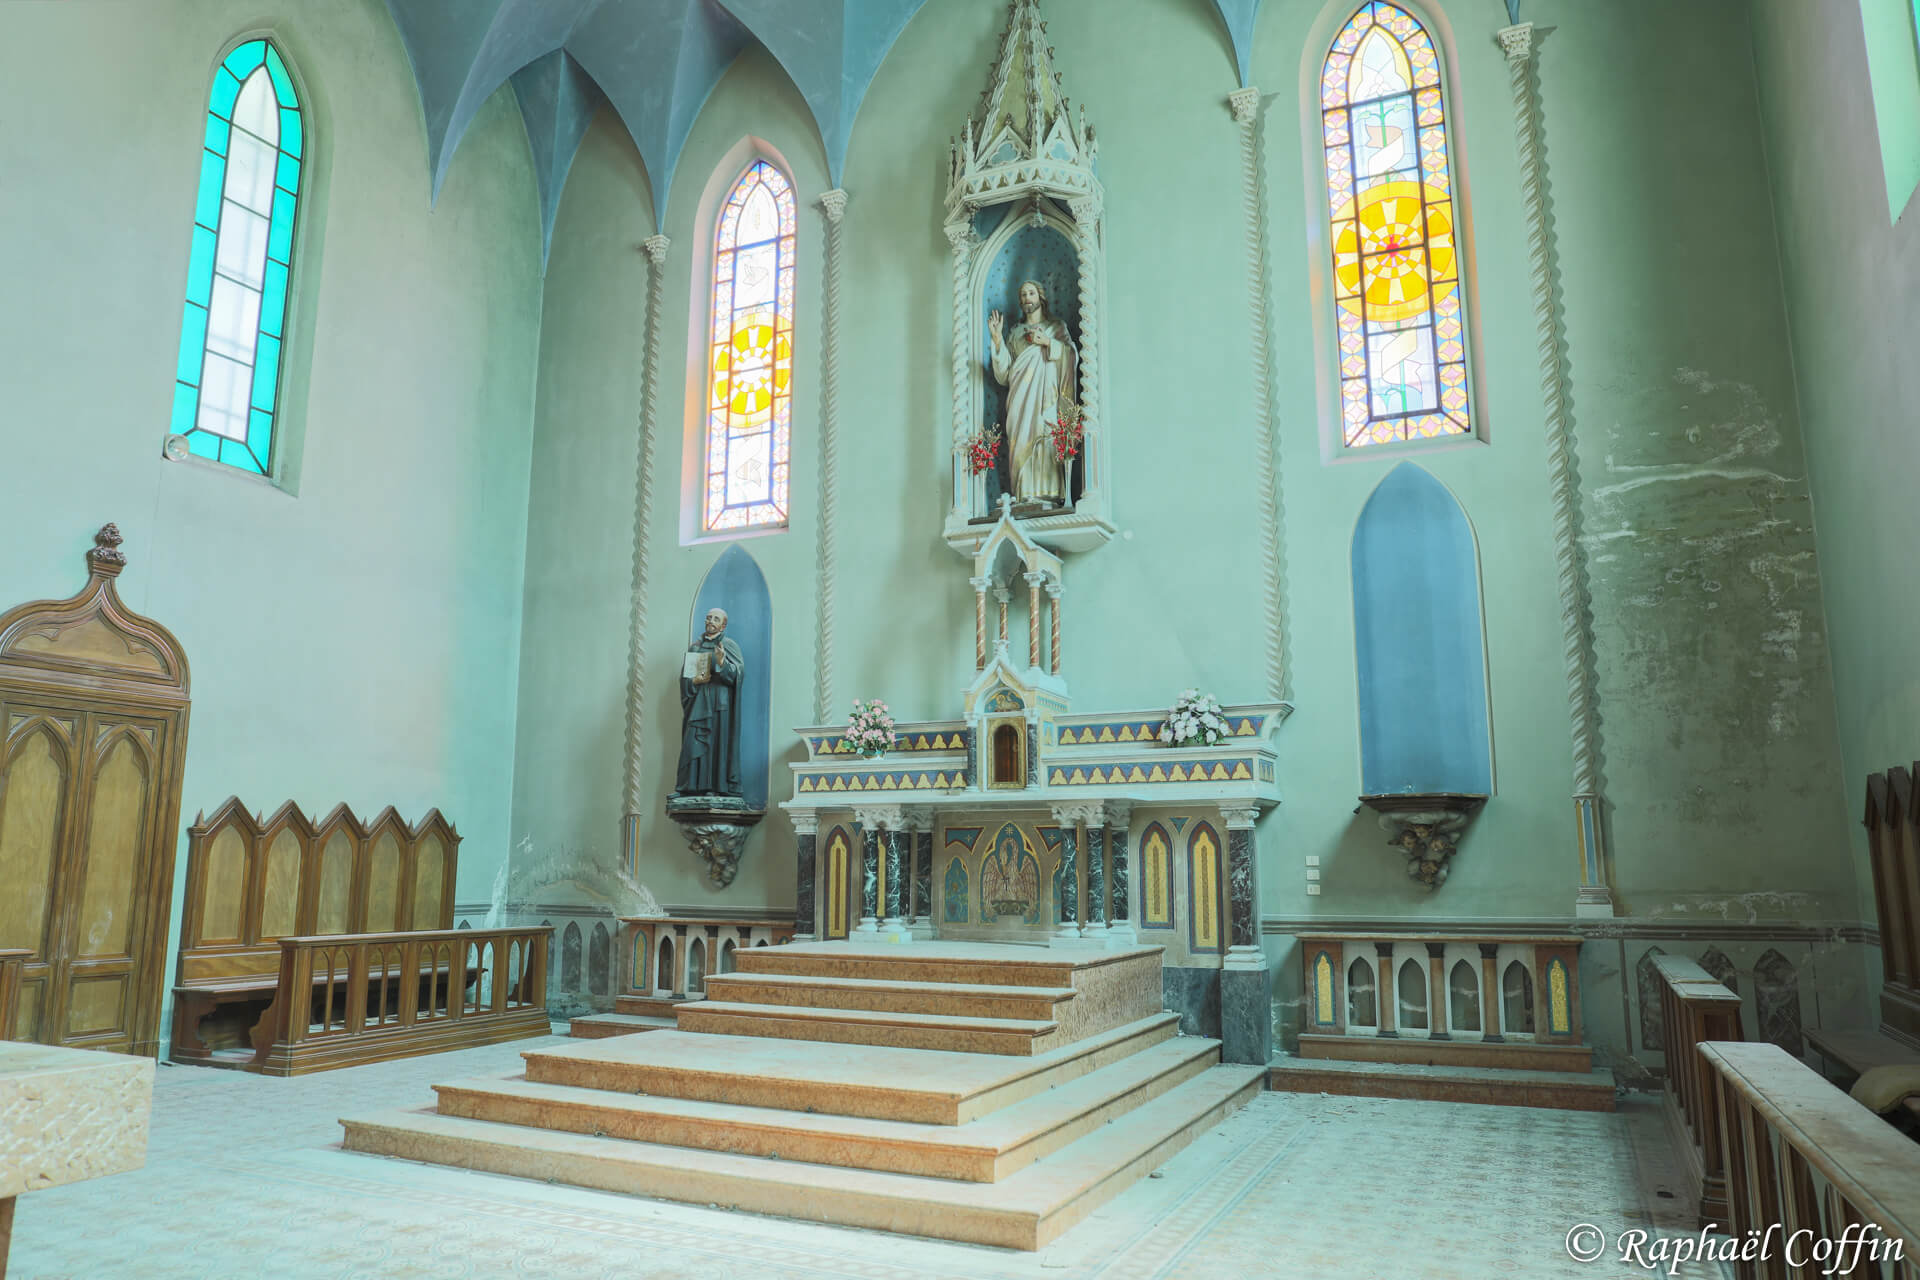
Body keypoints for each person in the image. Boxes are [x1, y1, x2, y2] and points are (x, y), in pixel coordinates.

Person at [988, 279, 1077, 502]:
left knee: (1046, 437)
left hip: (1047, 399)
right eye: (1023, 295)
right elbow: (1005, 374)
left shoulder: (1056, 328)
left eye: (1031, 293)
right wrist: (997, 340)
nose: (1027, 298)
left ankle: (1051, 494)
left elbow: (1071, 356)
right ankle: (1024, 495)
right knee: (1020, 443)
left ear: (1040, 297)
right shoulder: (1015, 333)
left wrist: (1048, 342)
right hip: (1020, 401)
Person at [674, 607, 743, 797]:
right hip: (698, 703)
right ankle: (689, 787)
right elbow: (685, 679)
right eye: (708, 617)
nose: (711, 621)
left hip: (719, 704)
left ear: (723, 625)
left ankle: (715, 787)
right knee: (693, 741)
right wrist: (694, 681)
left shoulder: (728, 646)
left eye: (716, 619)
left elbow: (738, 675)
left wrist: (722, 663)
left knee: (716, 744)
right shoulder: (695, 647)